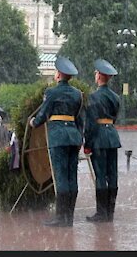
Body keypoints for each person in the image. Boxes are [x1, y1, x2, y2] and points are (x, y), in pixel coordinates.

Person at [29, 56, 84, 227]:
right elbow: (79, 118)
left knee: (60, 177)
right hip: (73, 137)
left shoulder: (51, 92)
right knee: (71, 176)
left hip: (58, 137)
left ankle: (61, 218)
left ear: (59, 74)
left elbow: (43, 114)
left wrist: (33, 122)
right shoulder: (77, 94)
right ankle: (70, 217)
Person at [84, 59, 122, 223]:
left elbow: (91, 122)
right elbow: (114, 117)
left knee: (100, 176)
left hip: (99, 138)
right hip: (112, 137)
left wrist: (87, 143)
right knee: (112, 175)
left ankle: (101, 213)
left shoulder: (93, 97)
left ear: (99, 75)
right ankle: (110, 213)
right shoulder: (115, 97)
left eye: (95, 73)